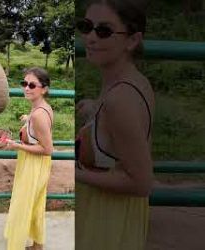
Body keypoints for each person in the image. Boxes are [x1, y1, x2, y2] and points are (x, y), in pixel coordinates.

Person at [75, 0, 155, 249]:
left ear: (132, 40)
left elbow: (141, 183)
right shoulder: (131, 82)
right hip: (116, 218)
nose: (91, 37)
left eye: (104, 31)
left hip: (105, 224)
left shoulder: (120, 99)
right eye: (86, 26)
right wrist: (94, 109)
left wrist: (75, 174)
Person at [3, 67, 54, 250]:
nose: (27, 88)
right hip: (38, 165)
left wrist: (17, 145)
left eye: (32, 85)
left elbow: (48, 149)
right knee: (35, 206)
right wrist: (28, 119)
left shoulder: (39, 115)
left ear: (44, 89)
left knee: (22, 208)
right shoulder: (42, 109)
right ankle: (37, 246)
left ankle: (17, 246)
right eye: (24, 83)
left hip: (33, 164)